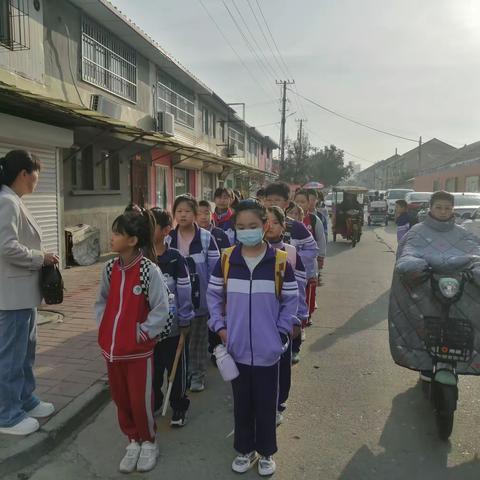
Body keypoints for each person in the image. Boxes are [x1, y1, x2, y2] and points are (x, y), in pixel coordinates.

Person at [207, 199, 298, 477]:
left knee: (266, 405)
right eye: (241, 226)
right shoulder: (226, 260)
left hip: (269, 352)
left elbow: (291, 301)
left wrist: (280, 332)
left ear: (266, 226)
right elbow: (213, 297)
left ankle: (267, 451)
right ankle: (245, 449)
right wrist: (220, 328)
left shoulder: (279, 262)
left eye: (253, 226)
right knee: (242, 404)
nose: (247, 231)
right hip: (236, 350)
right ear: (234, 228)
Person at [95, 209, 172, 473]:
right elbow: (102, 301)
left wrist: (143, 333)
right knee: (121, 399)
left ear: (133, 240)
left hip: (138, 353)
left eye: (117, 233)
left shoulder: (148, 271)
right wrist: (104, 329)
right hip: (112, 352)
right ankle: (133, 440)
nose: (112, 237)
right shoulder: (109, 268)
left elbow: (161, 308)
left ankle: (148, 441)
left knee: (141, 400)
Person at [389, 191, 480, 384]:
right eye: (439, 207)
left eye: (447, 208)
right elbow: (408, 253)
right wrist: (413, 265)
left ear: (452, 210)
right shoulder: (417, 231)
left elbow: (475, 253)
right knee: (424, 323)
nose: (443, 212)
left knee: (459, 325)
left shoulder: (463, 234)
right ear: (430, 208)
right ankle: (424, 361)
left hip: (457, 290)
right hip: (426, 288)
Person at [0, 150, 58, 436]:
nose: (38, 179)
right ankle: (6, 415)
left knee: (24, 353)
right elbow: (6, 246)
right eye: (36, 173)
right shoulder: (6, 201)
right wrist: (41, 258)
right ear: (24, 174)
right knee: (11, 356)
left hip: (22, 293)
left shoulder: (14, 200)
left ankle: (25, 399)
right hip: (10, 296)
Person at [168, 195, 220, 392]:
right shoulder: (169, 239)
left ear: (195, 214)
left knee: (198, 342)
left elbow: (215, 270)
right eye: (179, 211)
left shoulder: (206, 237)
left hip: (201, 302)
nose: (183, 215)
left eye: (187, 211)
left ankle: (197, 374)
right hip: (176, 303)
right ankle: (182, 375)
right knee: (179, 342)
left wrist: (216, 299)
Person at [151, 208, 194, 427]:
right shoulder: (142, 257)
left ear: (166, 230)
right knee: (153, 371)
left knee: (177, 371)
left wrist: (185, 319)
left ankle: (178, 406)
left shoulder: (175, 258)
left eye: (152, 226)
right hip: (149, 330)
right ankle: (155, 401)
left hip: (174, 328)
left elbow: (184, 291)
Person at [264, 206, 307, 424]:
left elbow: (299, 288)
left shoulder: (290, 253)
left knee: (281, 363)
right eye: (266, 221)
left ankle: (279, 403)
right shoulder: (247, 251)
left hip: (283, 319)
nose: (270, 226)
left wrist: (299, 318)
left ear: (283, 227)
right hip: (259, 319)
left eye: (276, 222)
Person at [264, 182, 319, 282]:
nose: (272, 203)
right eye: (269, 200)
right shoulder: (258, 224)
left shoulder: (296, 226)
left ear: (287, 203)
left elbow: (312, 250)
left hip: (291, 279)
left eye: (277, 200)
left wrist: (292, 258)